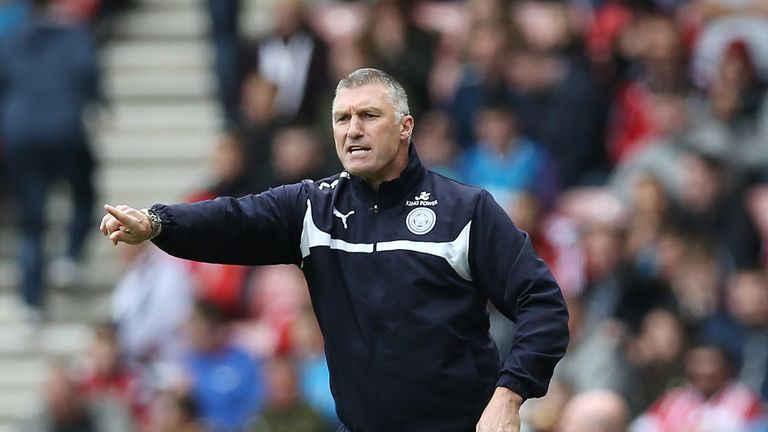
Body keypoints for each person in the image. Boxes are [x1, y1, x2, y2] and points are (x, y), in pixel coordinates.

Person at [99, 68, 569, 432]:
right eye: (342, 118)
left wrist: (510, 395)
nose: (353, 130)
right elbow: (235, 219)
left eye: (368, 116)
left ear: (405, 126)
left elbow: (542, 303)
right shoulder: (314, 208)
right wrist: (159, 222)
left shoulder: (466, 210)